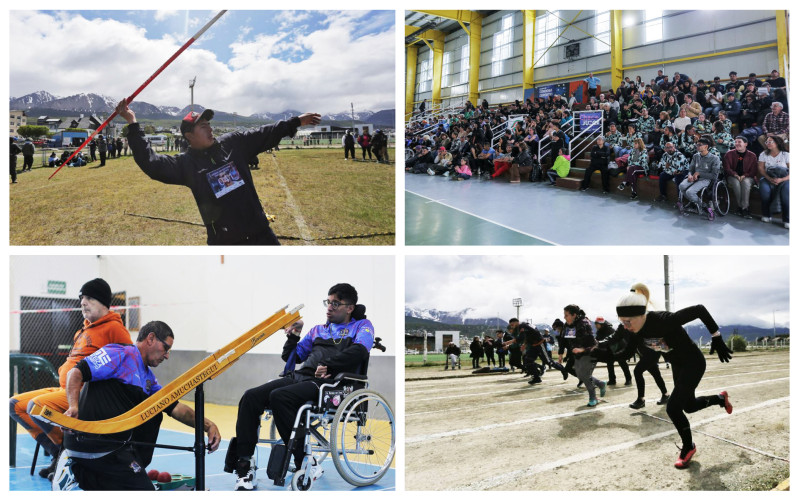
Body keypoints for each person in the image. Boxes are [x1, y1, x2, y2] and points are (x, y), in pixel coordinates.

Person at [116, 100, 321, 245]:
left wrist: (295, 122)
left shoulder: (233, 143)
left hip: (261, 234)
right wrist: (133, 124)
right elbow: (151, 163)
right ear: (189, 136)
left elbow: (265, 132)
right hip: (226, 243)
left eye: (209, 124)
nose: (210, 129)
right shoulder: (186, 164)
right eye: (203, 126)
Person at [230, 283, 374, 490]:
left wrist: (329, 365)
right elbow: (293, 357)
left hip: (331, 384)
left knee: (280, 397)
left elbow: (359, 352)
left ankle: (305, 461)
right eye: (328, 302)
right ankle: (244, 465)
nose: (330, 307)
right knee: (250, 396)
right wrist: (294, 335)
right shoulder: (317, 330)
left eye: (336, 303)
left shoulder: (362, 326)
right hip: (302, 377)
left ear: (350, 307)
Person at [62, 320, 221, 490]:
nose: (167, 356)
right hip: (94, 444)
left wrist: (208, 425)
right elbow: (76, 372)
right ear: (151, 338)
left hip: (110, 450)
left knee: (155, 413)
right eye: (166, 348)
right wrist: (73, 407)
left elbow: (175, 407)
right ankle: (80, 474)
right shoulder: (120, 353)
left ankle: (86, 478)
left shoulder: (148, 379)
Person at [9, 278, 132, 481]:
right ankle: (60, 451)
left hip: (84, 396)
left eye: (89, 298)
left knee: (35, 406)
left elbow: (129, 363)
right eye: (82, 297)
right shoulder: (82, 330)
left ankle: (65, 452)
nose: (83, 302)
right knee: (15, 405)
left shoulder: (115, 329)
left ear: (103, 302)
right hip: (63, 390)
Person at [616, 283, 733, 469]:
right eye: (622, 322)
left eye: (627, 322)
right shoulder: (635, 331)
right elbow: (623, 354)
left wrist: (716, 336)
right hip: (678, 365)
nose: (625, 326)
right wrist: (594, 353)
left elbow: (699, 309)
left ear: (640, 316)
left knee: (673, 408)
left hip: (693, 362)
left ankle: (689, 447)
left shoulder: (663, 319)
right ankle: (720, 399)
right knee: (689, 406)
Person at [561, 305, 606, 407]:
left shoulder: (584, 323)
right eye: (564, 315)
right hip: (578, 354)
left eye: (566, 315)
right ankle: (600, 384)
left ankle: (593, 397)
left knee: (585, 376)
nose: (564, 317)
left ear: (574, 315)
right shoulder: (567, 325)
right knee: (580, 374)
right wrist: (560, 353)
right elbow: (564, 340)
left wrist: (582, 349)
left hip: (591, 353)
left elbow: (593, 344)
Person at [677, 136, 720, 220]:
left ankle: (705, 206)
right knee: (681, 186)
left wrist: (699, 173)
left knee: (690, 192)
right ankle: (695, 202)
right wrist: (689, 175)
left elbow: (714, 175)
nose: (697, 147)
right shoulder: (695, 156)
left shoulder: (714, 158)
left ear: (706, 146)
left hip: (705, 179)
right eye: (697, 145)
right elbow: (691, 169)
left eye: (699, 145)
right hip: (693, 177)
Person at [757, 135, 790, 229]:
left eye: (770, 141)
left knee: (786, 194)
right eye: (767, 142)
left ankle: (787, 219)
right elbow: (761, 169)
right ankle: (766, 214)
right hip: (769, 177)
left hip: (785, 178)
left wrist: (782, 180)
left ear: (777, 143)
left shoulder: (786, 155)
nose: (767, 143)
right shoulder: (763, 154)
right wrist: (769, 178)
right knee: (764, 192)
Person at [723, 136, 758, 218]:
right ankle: (743, 208)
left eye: (739, 142)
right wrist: (735, 174)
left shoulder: (752, 155)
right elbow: (727, 168)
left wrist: (744, 175)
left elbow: (753, 171)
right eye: (736, 142)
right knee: (736, 183)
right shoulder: (729, 154)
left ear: (745, 144)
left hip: (748, 177)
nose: (737, 144)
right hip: (732, 176)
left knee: (745, 182)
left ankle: (743, 208)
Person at [594, 317, 631, 386]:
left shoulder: (610, 330)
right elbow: (598, 341)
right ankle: (612, 380)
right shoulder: (599, 331)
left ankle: (628, 379)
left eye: (597, 324)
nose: (596, 326)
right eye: (595, 324)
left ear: (601, 324)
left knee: (622, 363)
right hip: (609, 350)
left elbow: (614, 339)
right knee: (609, 364)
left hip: (619, 348)